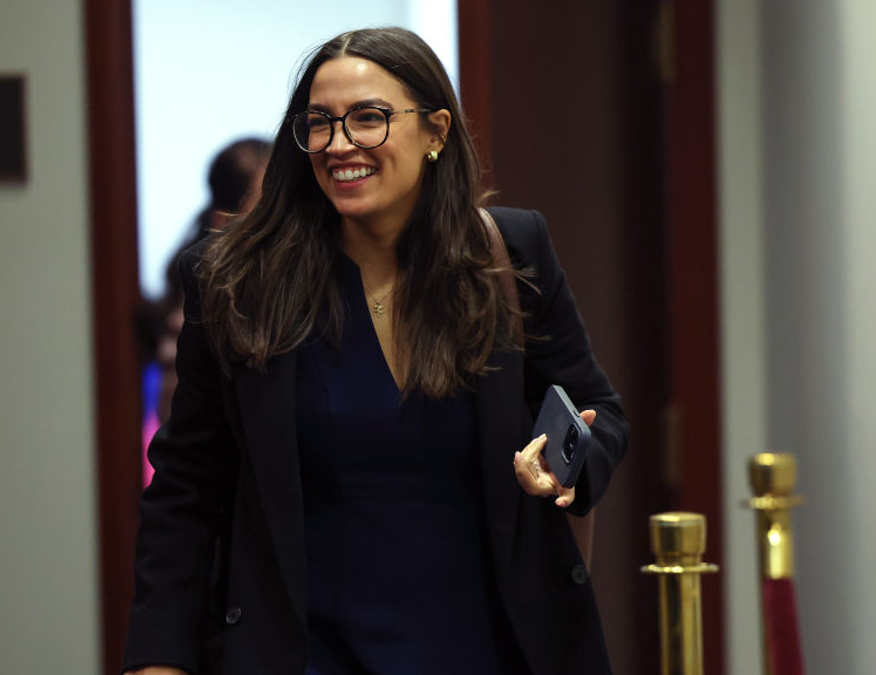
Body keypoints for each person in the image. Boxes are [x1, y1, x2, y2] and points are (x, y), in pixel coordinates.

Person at [122, 27, 629, 675]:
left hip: (490, 647)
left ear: (437, 130)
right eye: (320, 124)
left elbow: (600, 412)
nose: (340, 145)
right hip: (306, 652)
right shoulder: (233, 281)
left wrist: (567, 463)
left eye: (369, 119)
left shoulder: (509, 253)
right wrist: (158, 660)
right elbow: (186, 491)